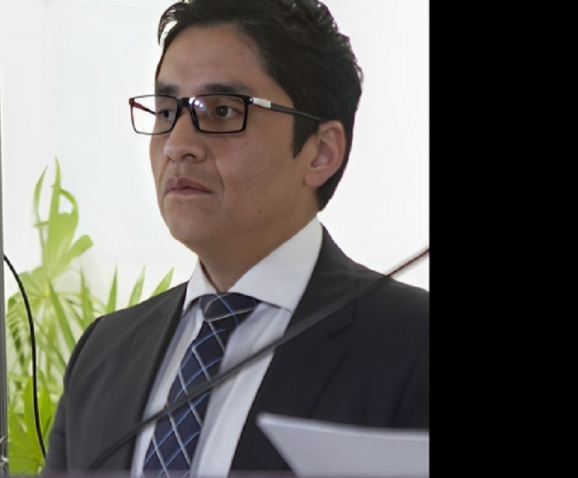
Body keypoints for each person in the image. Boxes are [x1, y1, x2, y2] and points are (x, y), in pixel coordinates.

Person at [45, 0, 428, 475]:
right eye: (166, 111)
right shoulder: (105, 352)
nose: (178, 145)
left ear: (320, 152)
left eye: (222, 111)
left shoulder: (412, 344)